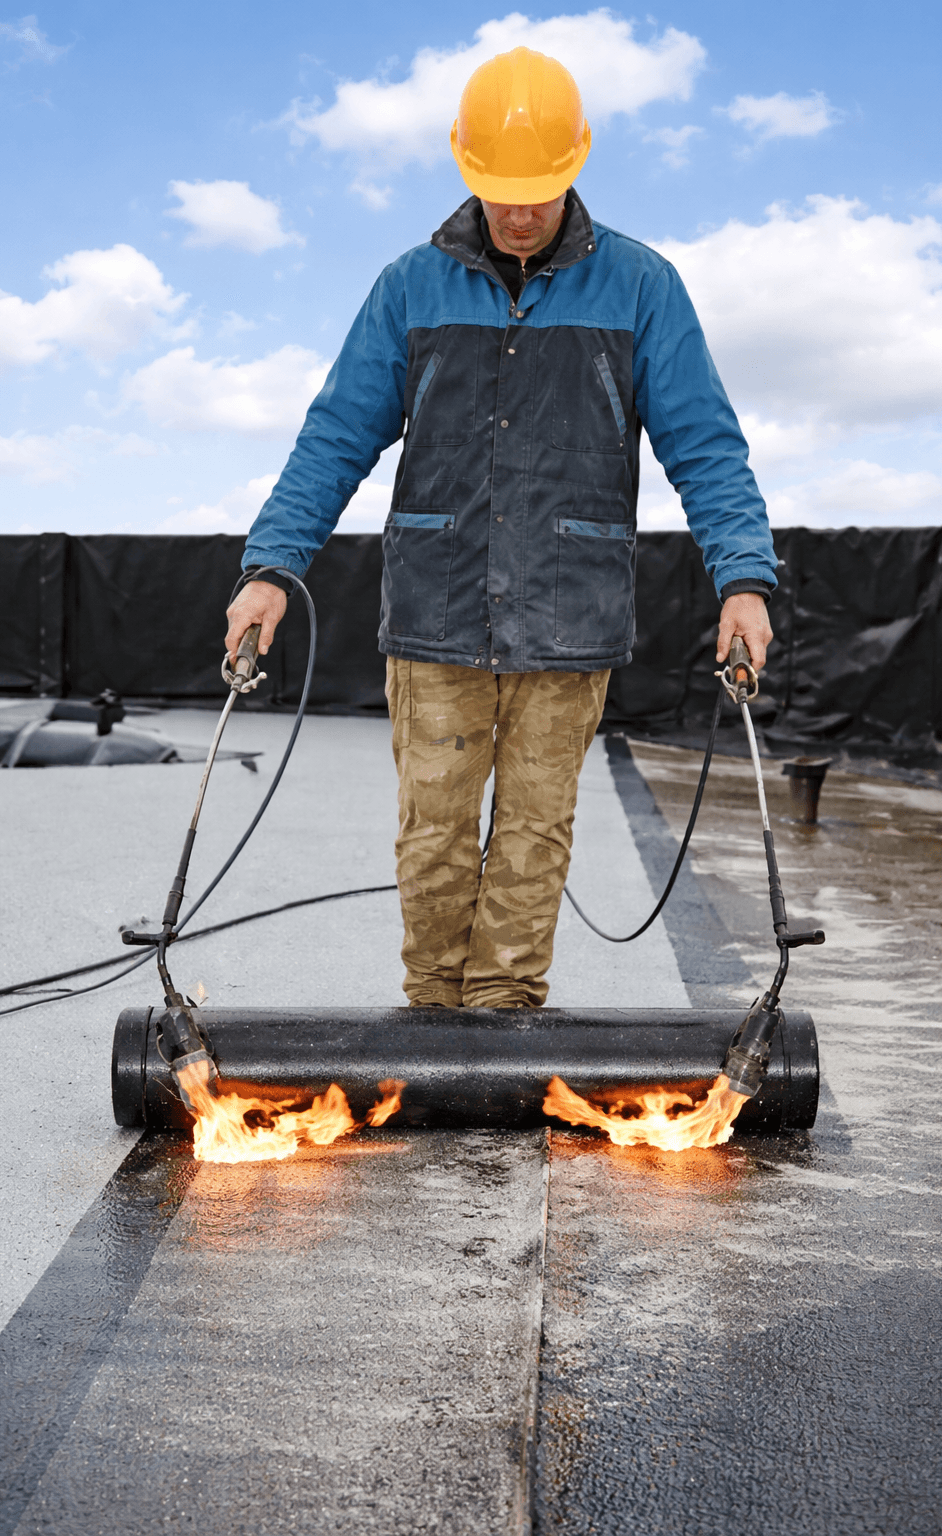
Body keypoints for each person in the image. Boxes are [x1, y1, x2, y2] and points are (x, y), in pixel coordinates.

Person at [225, 46, 775, 1010]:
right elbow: (335, 437)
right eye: (502, 193)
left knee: (533, 834)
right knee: (433, 831)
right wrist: (271, 567)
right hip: (437, 611)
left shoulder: (642, 287)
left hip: (570, 617)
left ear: (577, 163)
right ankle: (434, 1019)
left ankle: (506, 1017)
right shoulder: (409, 287)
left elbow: (705, 444)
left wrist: (744, 579)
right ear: (465, 165)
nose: (520, 213)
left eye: (540, 193)